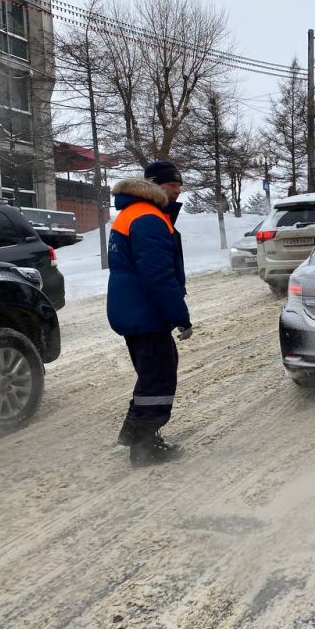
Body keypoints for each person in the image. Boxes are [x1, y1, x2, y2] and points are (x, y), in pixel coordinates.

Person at [107, 160, 193, 466]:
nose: (176, 192)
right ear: (155, 185)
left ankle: (139, 435)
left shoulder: (133, 213)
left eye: (178, 187)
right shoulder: (147, 218)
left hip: (135, 310)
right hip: (146, 312)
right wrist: (179, 315)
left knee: (151, 375)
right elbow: (157, 276)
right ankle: (143, 448)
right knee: (157, 378)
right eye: (171, 186)